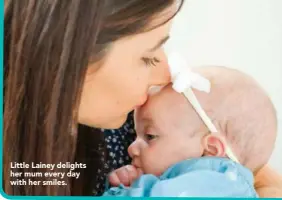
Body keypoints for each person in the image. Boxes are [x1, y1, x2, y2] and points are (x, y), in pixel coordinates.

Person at [3, 0, 282, 197]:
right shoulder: (143, 130)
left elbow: (244, 162)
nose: (165, 76)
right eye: (147, 57)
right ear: (72, 60)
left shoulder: (135, 122)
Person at [104, 67, 281, 197]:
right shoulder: (219, 184)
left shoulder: (217, 185)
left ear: (211, 150)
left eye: (150, 136)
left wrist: (128, 190)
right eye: (137, 135)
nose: (131, 148)